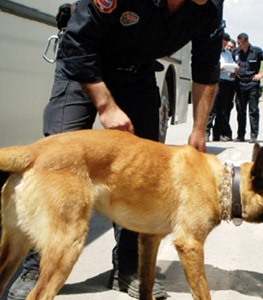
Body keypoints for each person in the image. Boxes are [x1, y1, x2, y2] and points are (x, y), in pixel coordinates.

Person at [6, 1, 224, 300]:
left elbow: (206, 66)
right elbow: (78, 40)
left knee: (145, 175)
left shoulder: (206, 9)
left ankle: (128, 269)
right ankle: (36, 266)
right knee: (57, 164)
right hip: (84, 67)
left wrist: (199, 129)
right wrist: (106, 106)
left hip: (137, 76)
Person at [232, 32, 263, 143]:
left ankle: (254, 135)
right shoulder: (235, 52)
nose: (239, 45)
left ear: (247, 42)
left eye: (241, 43)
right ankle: (240, 135)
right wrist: (233, 72)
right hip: (240, 83)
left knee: (253, 110)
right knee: (240, 111)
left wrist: (261, 75)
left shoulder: (256, 51)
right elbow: (232, 65)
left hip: (252, 84)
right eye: (238, 43)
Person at [206, 32, 236, 141]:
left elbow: (232, 64)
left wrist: (234, 70)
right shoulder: (211, 50)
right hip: (215, 81)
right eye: (222, 44)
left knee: (222, 110)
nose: (223, 46)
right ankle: (206, 132)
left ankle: (217, 134)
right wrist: (218, 68)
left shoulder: (227, 53)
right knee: (212, 109)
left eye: (225, 44)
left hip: (226, 82)